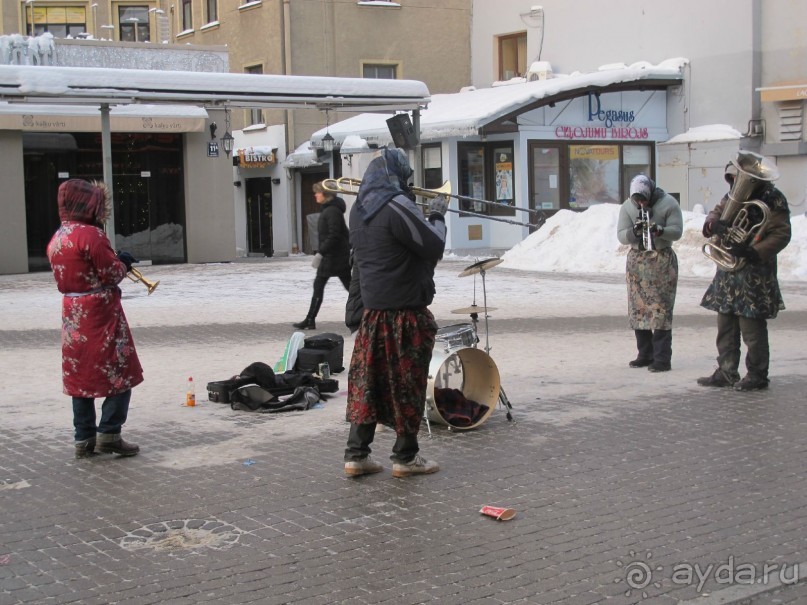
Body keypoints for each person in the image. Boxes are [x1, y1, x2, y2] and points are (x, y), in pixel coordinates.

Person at [343, 148, 448, 478]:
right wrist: (437, 215)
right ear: (398, 176)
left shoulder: (358, 211)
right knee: (407, 385)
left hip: (373, 315)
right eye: (407, 177)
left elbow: (362, 261)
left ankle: (356, 455)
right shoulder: (396, 205)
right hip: (406, 315)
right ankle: (405, 456)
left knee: (368, 385)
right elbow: (434, 245)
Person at [46, 179, 143, 459]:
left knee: (81, 376)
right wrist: (123, 261)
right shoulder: (91, 235)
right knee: (120, 371)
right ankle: (110, 433)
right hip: (101, 314)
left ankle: (84, 439)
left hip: (73, 314)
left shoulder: (58, 237)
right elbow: (111, 274)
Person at [697, 150, 791, 391]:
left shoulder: (774, 200)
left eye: (740, 177)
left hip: (754, 274)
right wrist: (713, 223)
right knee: (725, 323)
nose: (735, 183)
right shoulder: (733, 195)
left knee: (752, 327)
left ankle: (757, 374)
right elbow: (717, 211)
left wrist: (754, 251)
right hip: (729, 271)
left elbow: (781, 234)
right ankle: (726, 371)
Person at [616, 174, 684, 372]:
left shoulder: (669, 203)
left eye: (643, 199)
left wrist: (661, 231)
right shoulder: (627, 207)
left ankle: (662, 359)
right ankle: (645, 354)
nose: (640, 203)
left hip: (661, 260)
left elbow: (677, 231)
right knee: (639, 310)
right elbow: (621, 235)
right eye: (636, 200)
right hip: (638, 262)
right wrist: (634, 233)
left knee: (660, 310)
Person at [293, 182, 351, 330]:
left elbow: (334, 235)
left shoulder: (332, 211)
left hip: (334, 257)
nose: (315, 195)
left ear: (326, 195)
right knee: (344, 286)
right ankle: (310, 319)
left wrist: (321, 252)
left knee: (348, 286)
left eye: (318, 192)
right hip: (334, 257)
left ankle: (310, 320)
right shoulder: (330, 210)